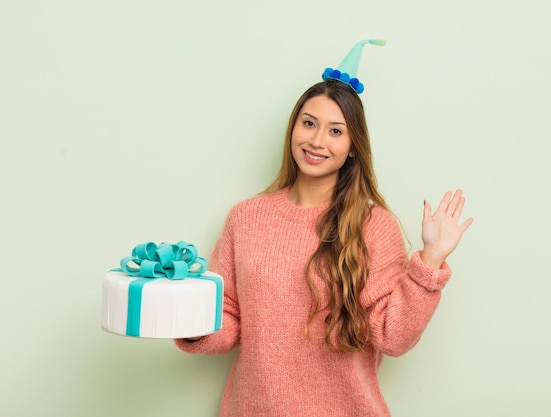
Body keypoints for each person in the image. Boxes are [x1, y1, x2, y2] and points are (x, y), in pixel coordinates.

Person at [174, 40, 473, 417]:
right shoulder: (245, 218)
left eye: (335, 131)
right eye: (309, 124)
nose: (317, 141)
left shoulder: (374, 226)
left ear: (352, 146)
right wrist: (184, 320)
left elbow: (392, 337)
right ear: (293, 128)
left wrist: (429, 261)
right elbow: (230, 318)